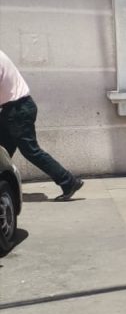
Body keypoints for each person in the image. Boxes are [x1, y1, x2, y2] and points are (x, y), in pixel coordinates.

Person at [0, 49, 84, 201]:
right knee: (3, 149)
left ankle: (68, 181)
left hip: (17, 110)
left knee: (31, 151)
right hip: (14, 109)